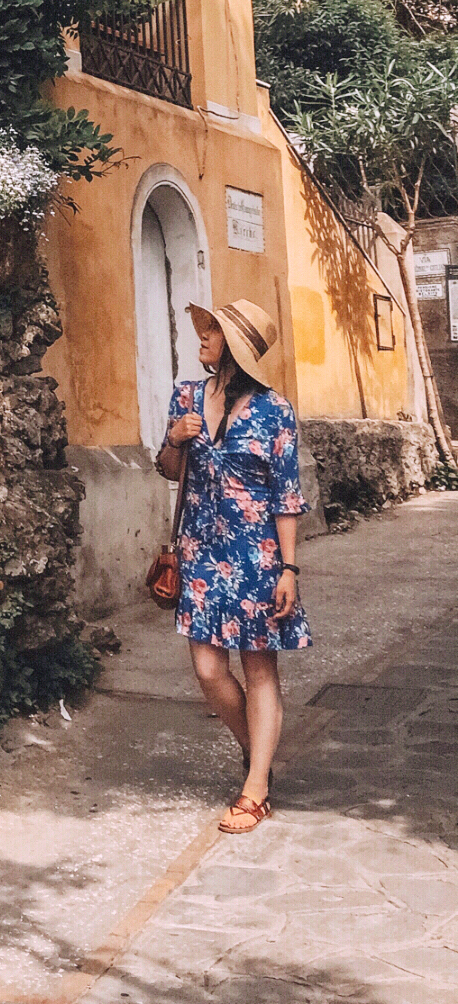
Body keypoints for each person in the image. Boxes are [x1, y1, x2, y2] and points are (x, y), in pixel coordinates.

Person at [156, 297, 310, 834]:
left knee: (259, 668)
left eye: (213, 331)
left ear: (235, 349)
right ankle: (259, 755)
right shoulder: (185, 397)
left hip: (258, 557)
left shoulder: (275, 411)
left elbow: (286, 496)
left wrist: (289, 569)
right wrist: (174, 440)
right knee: (207, 669)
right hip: (200, 553)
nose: (202, 337)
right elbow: (169, 471)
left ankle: (256, 790)